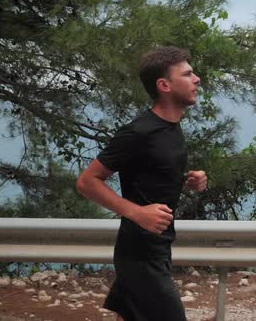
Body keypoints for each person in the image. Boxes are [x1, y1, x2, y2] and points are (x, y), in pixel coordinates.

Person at [76, 46, 208, 321]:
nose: (197, 79)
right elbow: (87, 181)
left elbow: (150, 173)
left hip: (157, 247)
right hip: (139, 253)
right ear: (164, 85)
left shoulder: (171, 128)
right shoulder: (138, 132)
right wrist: (138, 212)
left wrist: (189, 181)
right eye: (188, 74)